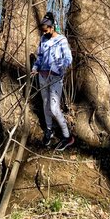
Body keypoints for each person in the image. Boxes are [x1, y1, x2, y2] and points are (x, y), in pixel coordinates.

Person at [31, 12, 74, 150]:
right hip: (42, 77)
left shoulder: (61, 40)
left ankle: (68, 137)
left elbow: (68, 59)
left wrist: (56, 66)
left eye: (46, 29)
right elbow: (40, 56)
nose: (44, 32)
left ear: (52, 27)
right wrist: (35, 68)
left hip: (55, 78)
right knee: (45, 103)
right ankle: (49, 130)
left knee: (54, 108)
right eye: (43, 30)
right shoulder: (43, 39)